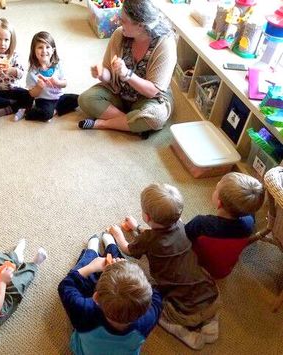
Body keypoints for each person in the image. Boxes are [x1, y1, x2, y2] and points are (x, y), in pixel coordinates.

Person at [108, 183, 220, 350]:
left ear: (146, 217)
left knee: (156, 309)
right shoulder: (182, 225)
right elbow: (156, 232)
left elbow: (127, 249)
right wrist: (136, 227)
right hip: (213, 297)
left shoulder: (148, 239)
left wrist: (118, 234)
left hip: (183, 312)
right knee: (203, 300)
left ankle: (184, 333)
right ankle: (211, 325)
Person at [78, 0, 177, 138]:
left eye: (124, 21)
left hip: (148, 98)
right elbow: (109, 76)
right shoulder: (120, 35)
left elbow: (153, 91)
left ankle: (102, 124)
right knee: (86, 99)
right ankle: (132, 123)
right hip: (119, 92)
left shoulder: (165, 44)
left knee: (155, 117)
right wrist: (101, 74)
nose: (119, 22)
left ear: (141, 25)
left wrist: (127, 74)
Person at [58, 233, 162, 355]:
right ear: (146, 307)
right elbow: (157, 295)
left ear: (95, 297)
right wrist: (132, 275)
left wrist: (91, 267)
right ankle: (111, 246)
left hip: (81, 350)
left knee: (84, 271)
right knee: (124, 271)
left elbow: (66, 286)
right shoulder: (148, 319)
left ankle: (92, 252)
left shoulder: (84, 311)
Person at [185, 172, 264, 278]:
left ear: (219, 203)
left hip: (198, 265)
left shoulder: (201, 223)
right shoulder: (249, 222)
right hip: (223, 272)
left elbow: (183, 236)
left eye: (216, 189)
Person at [0, 18, 33, 121]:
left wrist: (11, 70)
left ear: (11, 40)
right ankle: (16, 106)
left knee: (30, 96)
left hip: (14, 89)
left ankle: (9, 109)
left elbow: (21, 73)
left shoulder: (15, 55)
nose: (3, 43)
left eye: (6, 40)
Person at [24, 31, 79, 122]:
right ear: (34, 51)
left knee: (79, 99)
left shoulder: (58, 65)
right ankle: (27, 112)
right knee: (46, 115)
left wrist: (58, 82)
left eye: (47, 47)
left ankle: (55, 110)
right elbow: (32, 94)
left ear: (53, 50)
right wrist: (38, 87)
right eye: (40, 47)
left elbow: (65, 83)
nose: (44, 50)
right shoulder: (32, 72)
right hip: (44, 100)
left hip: (59, 97)